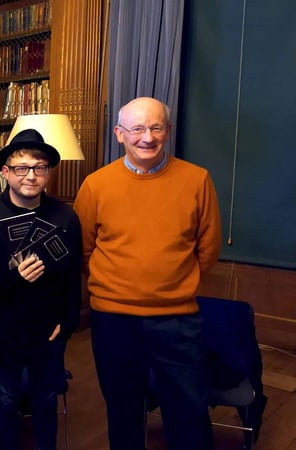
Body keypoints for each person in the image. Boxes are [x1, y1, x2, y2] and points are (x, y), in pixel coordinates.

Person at [73, 97, 223, 450]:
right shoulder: (96, 185)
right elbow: (84, 249)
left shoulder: (197, 179)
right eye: (137, 128)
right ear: (119, 134)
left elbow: (208, 247)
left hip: (177, 319)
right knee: (122, 408)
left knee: (188, 409)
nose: (147, 137)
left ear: (167, 132)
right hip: (114, 319)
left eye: (156, 127)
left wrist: (173, 284)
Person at [0, 129, 82, 450]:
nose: (31, 175)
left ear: (48, 172)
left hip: (49, 332)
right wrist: (13, 276)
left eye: (39, 167)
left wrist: (68, 323)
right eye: (21, 168)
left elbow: (73, 276)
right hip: (4, 332)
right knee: (6, 400)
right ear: (5, 172)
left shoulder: (65, 216)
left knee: (45, 399)